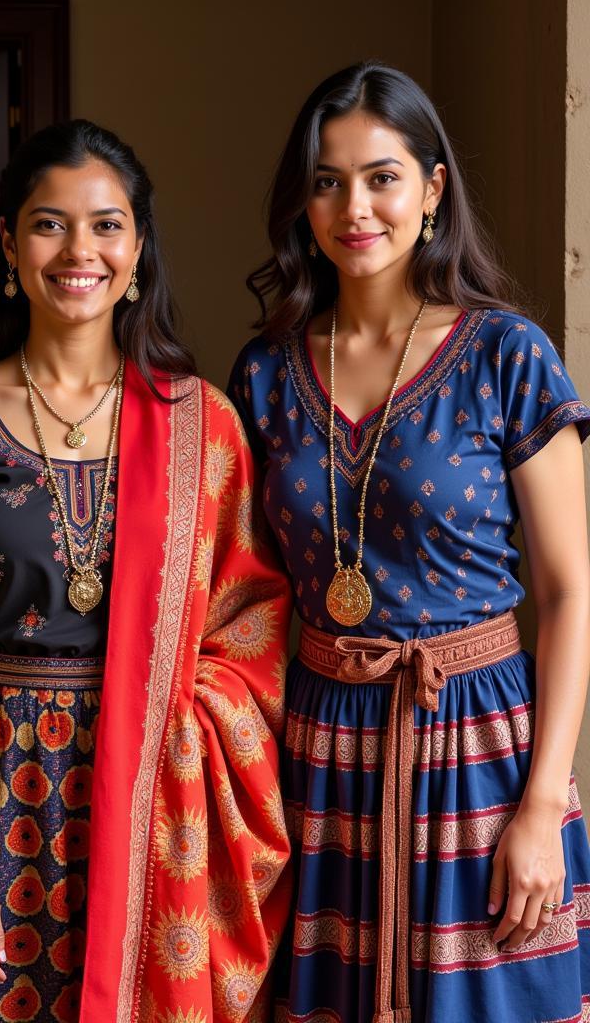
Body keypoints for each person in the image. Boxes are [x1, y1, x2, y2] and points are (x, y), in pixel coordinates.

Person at [0, 119, 291, 1021]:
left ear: (139, 246)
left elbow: (252, 628)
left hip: (160, 795)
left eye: (107, 225)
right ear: (8, 243)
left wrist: (174, 729)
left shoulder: (202, 424)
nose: (80, 251)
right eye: (49, 224)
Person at [229, 61, 590, 1023]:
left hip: (477, 741)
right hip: (319, 749)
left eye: (383, 176)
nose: (356, 206)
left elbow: (565, 594)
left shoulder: (509, 354)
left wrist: (544, 806)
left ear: (431, 191)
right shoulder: (265, 372)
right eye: (327, 179)